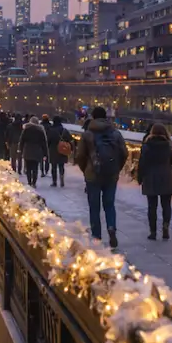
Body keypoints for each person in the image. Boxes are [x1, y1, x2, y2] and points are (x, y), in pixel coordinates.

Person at [76, 105, 128, 249]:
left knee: (94, 206)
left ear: (92, 117)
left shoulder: (87, 134)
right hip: (111, 174)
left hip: (93, 175)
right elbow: (124, 153)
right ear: (106, 117)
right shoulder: (115, 133)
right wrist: (117, 168)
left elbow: (79, 155)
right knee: (109, 204)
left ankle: (97, 237)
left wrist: (85, 170)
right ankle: (111, 227)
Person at [137, 122, 172, 240]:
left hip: (150, 177)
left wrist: (140, 176)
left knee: (152, 206)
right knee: (166, 205)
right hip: (167, 177)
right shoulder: (169, 146)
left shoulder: (146, 146)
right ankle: (166, 228)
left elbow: (142, 163)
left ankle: (153, 232)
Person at [18, 116, 49, 187]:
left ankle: (29, 182)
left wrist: (20, 149)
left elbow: (22, 140)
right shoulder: (40, 131)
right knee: (35, 168)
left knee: (28, 168)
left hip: (27, 151)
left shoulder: (26, 130)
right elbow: (44, 143)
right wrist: (45, 154)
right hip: (37, 152)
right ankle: (34, 182)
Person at [47, 116, 73, 188]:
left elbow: (48, 141)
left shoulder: (51, 130)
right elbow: (70, 139)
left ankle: (54, 181)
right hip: (63, 150)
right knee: (61, 166)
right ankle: (62, 179)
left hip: (53, 150)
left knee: (54, 167)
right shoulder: (64, 130)